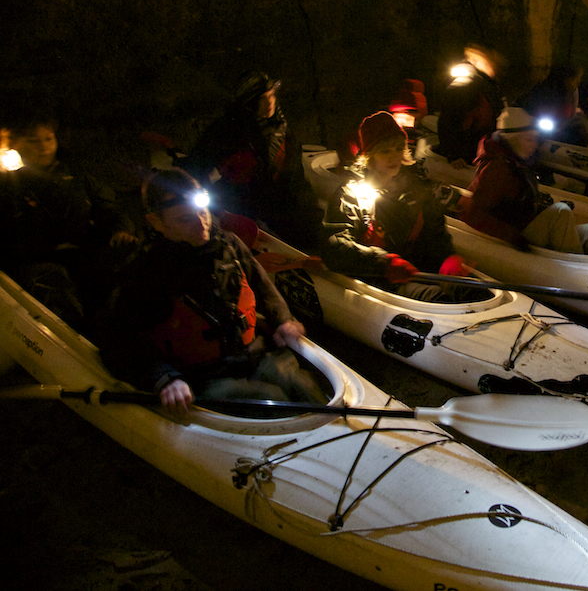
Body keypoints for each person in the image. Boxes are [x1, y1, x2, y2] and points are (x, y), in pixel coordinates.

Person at [104, 168, 326, 413]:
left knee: (301, 385)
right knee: (269, 398)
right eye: (184, 219)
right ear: (157, 222)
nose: (202, 225)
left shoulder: (228, 245)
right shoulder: (144, 273)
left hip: (255, 355)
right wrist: (165, 378)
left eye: (203, 211)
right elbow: (117, 340)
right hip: (204, 376)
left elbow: (262, 288)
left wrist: (284, 320)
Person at [321, 112, 489, 303]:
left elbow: (436, 235)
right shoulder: (350, 195)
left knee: (476, 290)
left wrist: (447, 259)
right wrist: (383, 263)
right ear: (370, 156)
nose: (394, 157)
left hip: (418, 270)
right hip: (381, 277)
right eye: (385, 151)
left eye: (399, 148)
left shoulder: (417, 189)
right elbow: (334, 244)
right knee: (438, 298)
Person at [0, 111, 138, 327]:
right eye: (33, 141)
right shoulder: (9, 183)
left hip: (86, 252)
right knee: (52, 282)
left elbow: (108, 207)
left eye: (48, 138)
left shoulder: (76, 172)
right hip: (40, 262)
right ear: (16, 144)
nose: (43, 147)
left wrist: (121, 230)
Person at [182, 70, 320, 251]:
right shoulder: (225, 132)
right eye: (262, 98)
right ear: (248, 102)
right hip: (242, 205)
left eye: (271, 95)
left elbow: (294, 176)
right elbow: (196, 166)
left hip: (280, 205)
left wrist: (305, 206)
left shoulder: (282, 130)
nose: (269, 102)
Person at [459, 107, 588, 255]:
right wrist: (514, 238)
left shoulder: (516, 160)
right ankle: (578, 269)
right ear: (512, 139)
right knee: (560, 212)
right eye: (529, 140)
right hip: (516, 236)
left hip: (525, 225)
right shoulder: (498, 169)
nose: (535, 145)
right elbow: (471, 212)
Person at [435, 44, 507, 169]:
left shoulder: (489, 86)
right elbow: (448, 121)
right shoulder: (464, 84)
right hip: (467, 153)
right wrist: (454, 155)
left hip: (483, 149)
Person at [518, 64, 588, 146]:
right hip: (542, 129)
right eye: (575, 79)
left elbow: (572, 113)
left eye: (578, 79)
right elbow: (532, 108)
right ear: (566, 78)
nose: (577, 83)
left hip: (561, 127)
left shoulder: (573, 92)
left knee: (581, 128)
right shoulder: (544, 90)